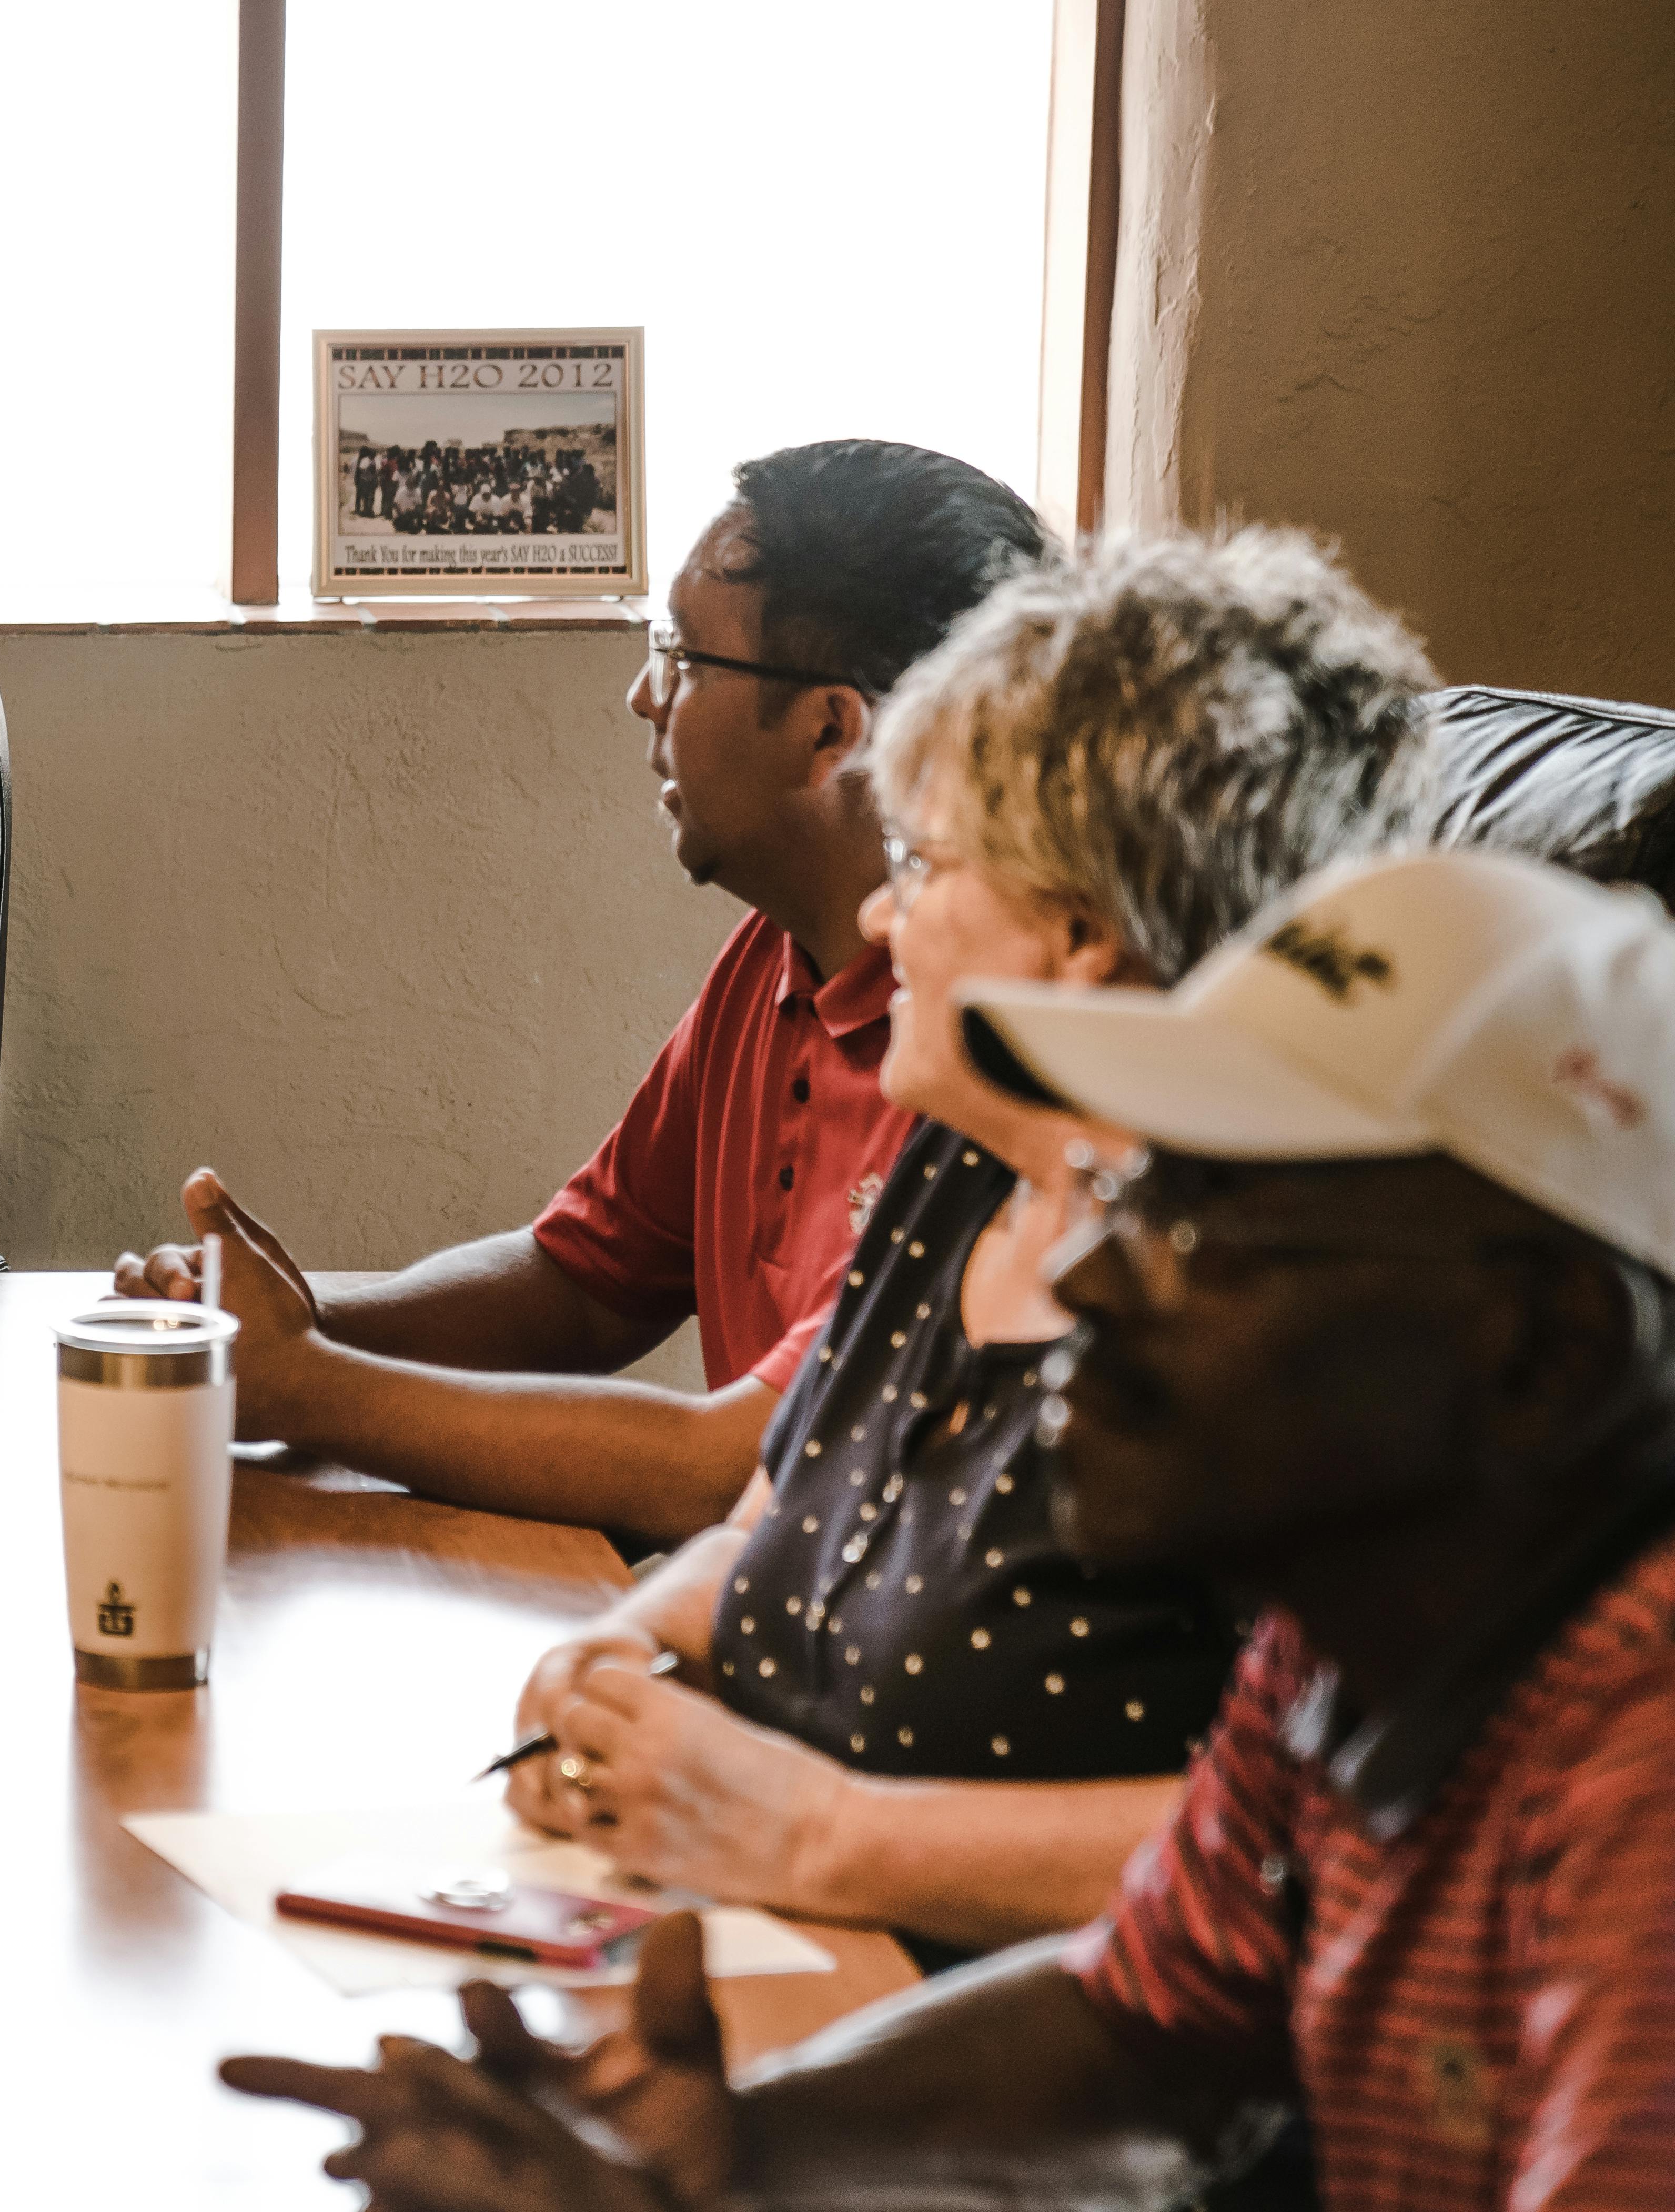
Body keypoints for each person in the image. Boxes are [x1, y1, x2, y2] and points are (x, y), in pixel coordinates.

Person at [229, 845, 1675, 2212]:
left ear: (1539, 1346)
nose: (1095, 1275)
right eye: (1127, 1184)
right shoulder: (1362, 1639)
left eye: (1209, 1223)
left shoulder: (1642, 1783)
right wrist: (709, 2148)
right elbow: (1142, 2036)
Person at [498, 531, 1432, 1957]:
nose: (882, 911)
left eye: (926, 861)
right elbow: (772, 1521)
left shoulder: (1277, 1309)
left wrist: (814, 1833)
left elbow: (1331, 1843)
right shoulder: (962, 1168)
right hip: (774, 1952)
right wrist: (629, 1649)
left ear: (1083, 936)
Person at [114, 440, 1049, 1539]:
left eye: (685, 657)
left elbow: (731, 1471)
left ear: (828, 731)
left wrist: (309, 1385)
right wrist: (276, 1327)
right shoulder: (772, 957)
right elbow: (582, 1290)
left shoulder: (980, 1039)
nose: (641, 697)